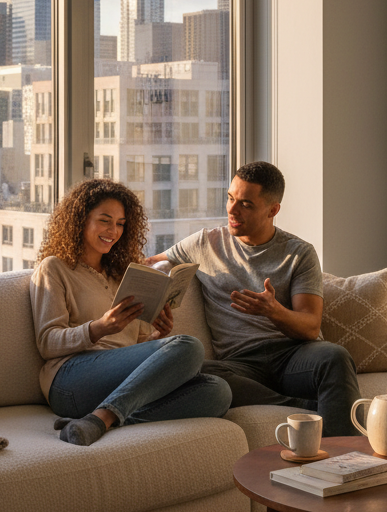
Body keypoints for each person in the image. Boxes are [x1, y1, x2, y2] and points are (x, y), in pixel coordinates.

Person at [150, 161, 360, 436]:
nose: (231, 211)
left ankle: (346, 459)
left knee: (335, 356)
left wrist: (273, 310)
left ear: (273, 210)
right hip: (239, 364)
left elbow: (310, 327)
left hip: (293, 357)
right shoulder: (205, 243)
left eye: (245, 204)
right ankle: (303, 407)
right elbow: (151, 263)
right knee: (190, 368)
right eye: (230, 198)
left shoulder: (298, 253)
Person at [30, 178, 232, 446]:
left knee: (218, 392)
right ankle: (102, 417)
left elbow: (131, 348)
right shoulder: (54, 268)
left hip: (117, 382)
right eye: (105, 220)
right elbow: (47, 342)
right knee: (190, 346)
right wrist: (98, 327)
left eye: (121, 224)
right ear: (80, 219)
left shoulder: (124, 276)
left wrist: (158, 336)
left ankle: (100, 420)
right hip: (69, 381)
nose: (113, 231)